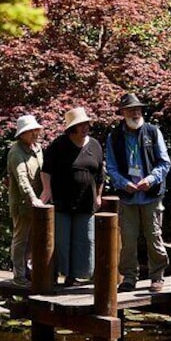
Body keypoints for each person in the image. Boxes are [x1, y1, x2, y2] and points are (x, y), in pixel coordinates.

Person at [105, 93, 171, 293]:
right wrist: (123, 183)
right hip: (128, 196)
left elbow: (164, 162)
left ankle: (157, 277)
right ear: (123, 113)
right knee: (128, 239)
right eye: (131, 109)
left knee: (153, 236)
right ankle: (129, 278)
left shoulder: (152, 132)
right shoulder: (114, 137)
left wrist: (150, 179)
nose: (136, 113)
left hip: (151, 194)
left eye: (138, 109)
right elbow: (111, 167)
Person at [40, 107, 104, 286]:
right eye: (80, 125)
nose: (84, 128)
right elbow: (46, 171)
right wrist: (47, 191)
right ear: (72, 128)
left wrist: (98, 196)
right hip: (62, 201)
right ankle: (57, 274)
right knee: (62, 241)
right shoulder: (59, 145)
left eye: (86, 124)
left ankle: (75, 276)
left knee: (84, 240)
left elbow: (100, 174)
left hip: (86, 202)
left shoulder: (95, 145)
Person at [7, 114, 46, 287]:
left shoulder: (38, 148)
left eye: (35, 130)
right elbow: (22, 179)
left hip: (39, 202)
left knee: (32, 239)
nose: (34, 133)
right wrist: (33, 199)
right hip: (23, 204)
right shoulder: (16, 151)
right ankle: (19, 275)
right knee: (21, 238)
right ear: (22, 134)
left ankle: (29, 271)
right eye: (30, 131)